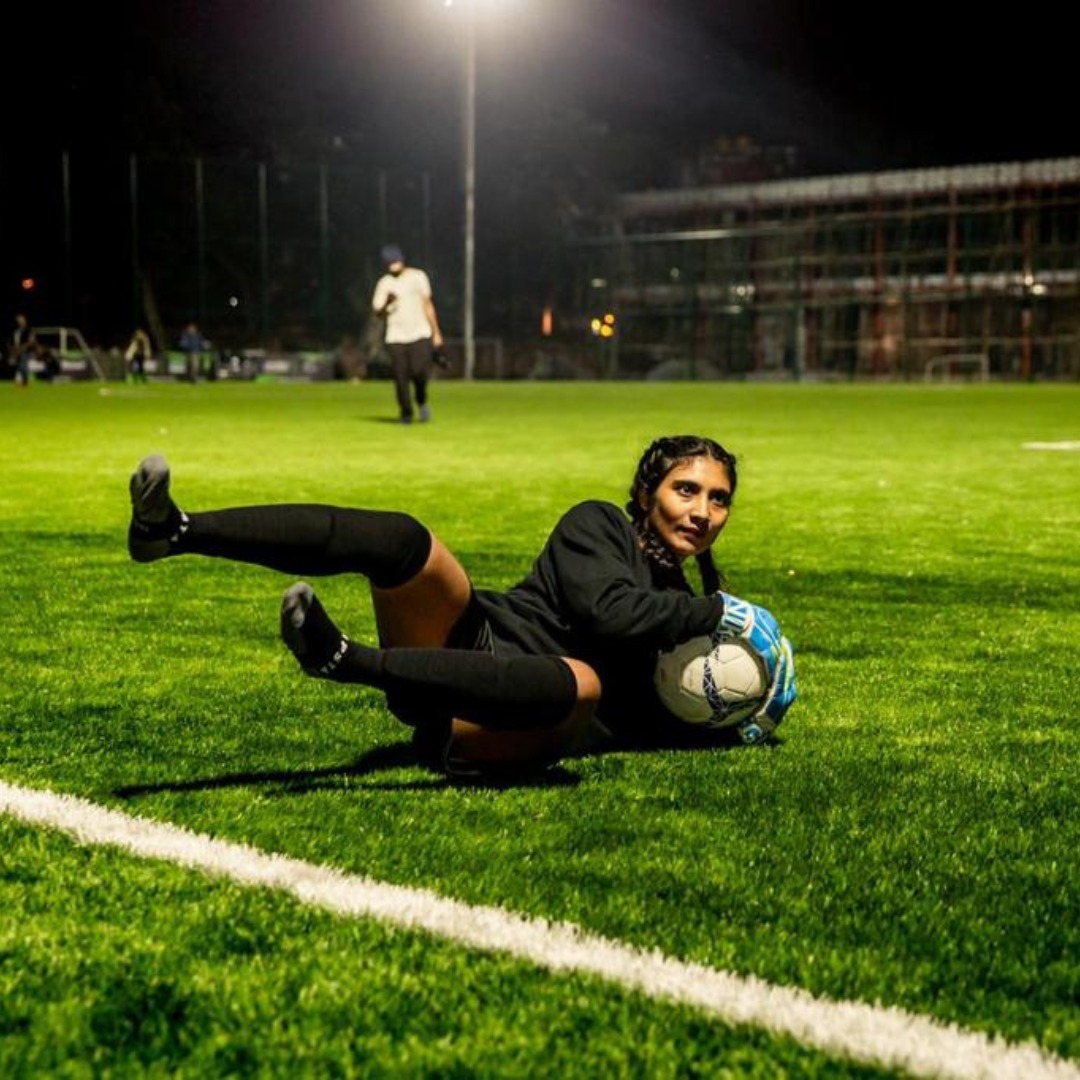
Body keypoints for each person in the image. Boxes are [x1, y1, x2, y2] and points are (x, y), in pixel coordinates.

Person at [125, 435, 796, 782]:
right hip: (464, 643)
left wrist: (742, 716)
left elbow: (654, 715)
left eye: (718, 499)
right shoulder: (598, 525)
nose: (702, 512)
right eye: (687, 490)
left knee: (581, 682)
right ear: (650, 491)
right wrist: (716, 614)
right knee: (402, 539)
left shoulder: (685, 614)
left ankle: (345, 661)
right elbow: (606, 612)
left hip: (502, 726)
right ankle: (175, 532)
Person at [370, 245, 445, 424]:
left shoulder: (417, 277)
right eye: (389, 263)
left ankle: (421, 400)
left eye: (395, 261)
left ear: (402, 260)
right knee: (400, 376)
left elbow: (428, 304)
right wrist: (387, 303)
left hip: (420, 333)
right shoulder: (384, 283)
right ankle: (406, 413)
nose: (392, 266)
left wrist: (436, 332)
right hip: (396, 336)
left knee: (419, 372)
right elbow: (378, 313)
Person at [9, 313, 38, 388]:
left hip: (26, 351)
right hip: (18, 351)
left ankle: (25, 382)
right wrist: (14, 350)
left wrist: (22, 347)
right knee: (19, 366)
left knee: (23, 366)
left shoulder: (29, 330)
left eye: (22, 320)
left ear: (25, 321)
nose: (20, 322)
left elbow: (31, 341)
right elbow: (14, 342)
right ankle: (22, 381)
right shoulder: (16, 331)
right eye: (19, 320)